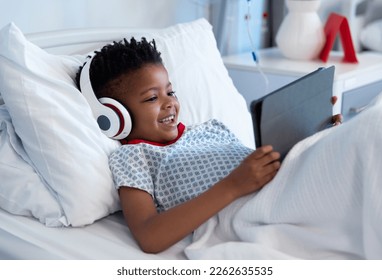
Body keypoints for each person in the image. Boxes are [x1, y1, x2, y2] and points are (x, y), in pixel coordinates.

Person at [76, 37, 341, 254]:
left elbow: (266, 168)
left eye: (170, 92)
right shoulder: (133, 157)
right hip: (257, 212)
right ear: (115, 117)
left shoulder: (211, 128)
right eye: (151, 98)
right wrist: (234, 185)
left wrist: (316, 137)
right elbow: (149, 236)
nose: (169, 103)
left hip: (292, 183)